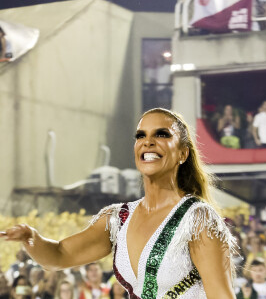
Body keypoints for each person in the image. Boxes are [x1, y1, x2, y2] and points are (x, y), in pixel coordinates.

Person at [0, 108, 237, 298]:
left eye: (161, 134)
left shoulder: (198, 220)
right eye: (141, 135)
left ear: (183, 154)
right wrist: (31, 238)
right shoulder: (118, 219)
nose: (148, 141)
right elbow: (59, 255)